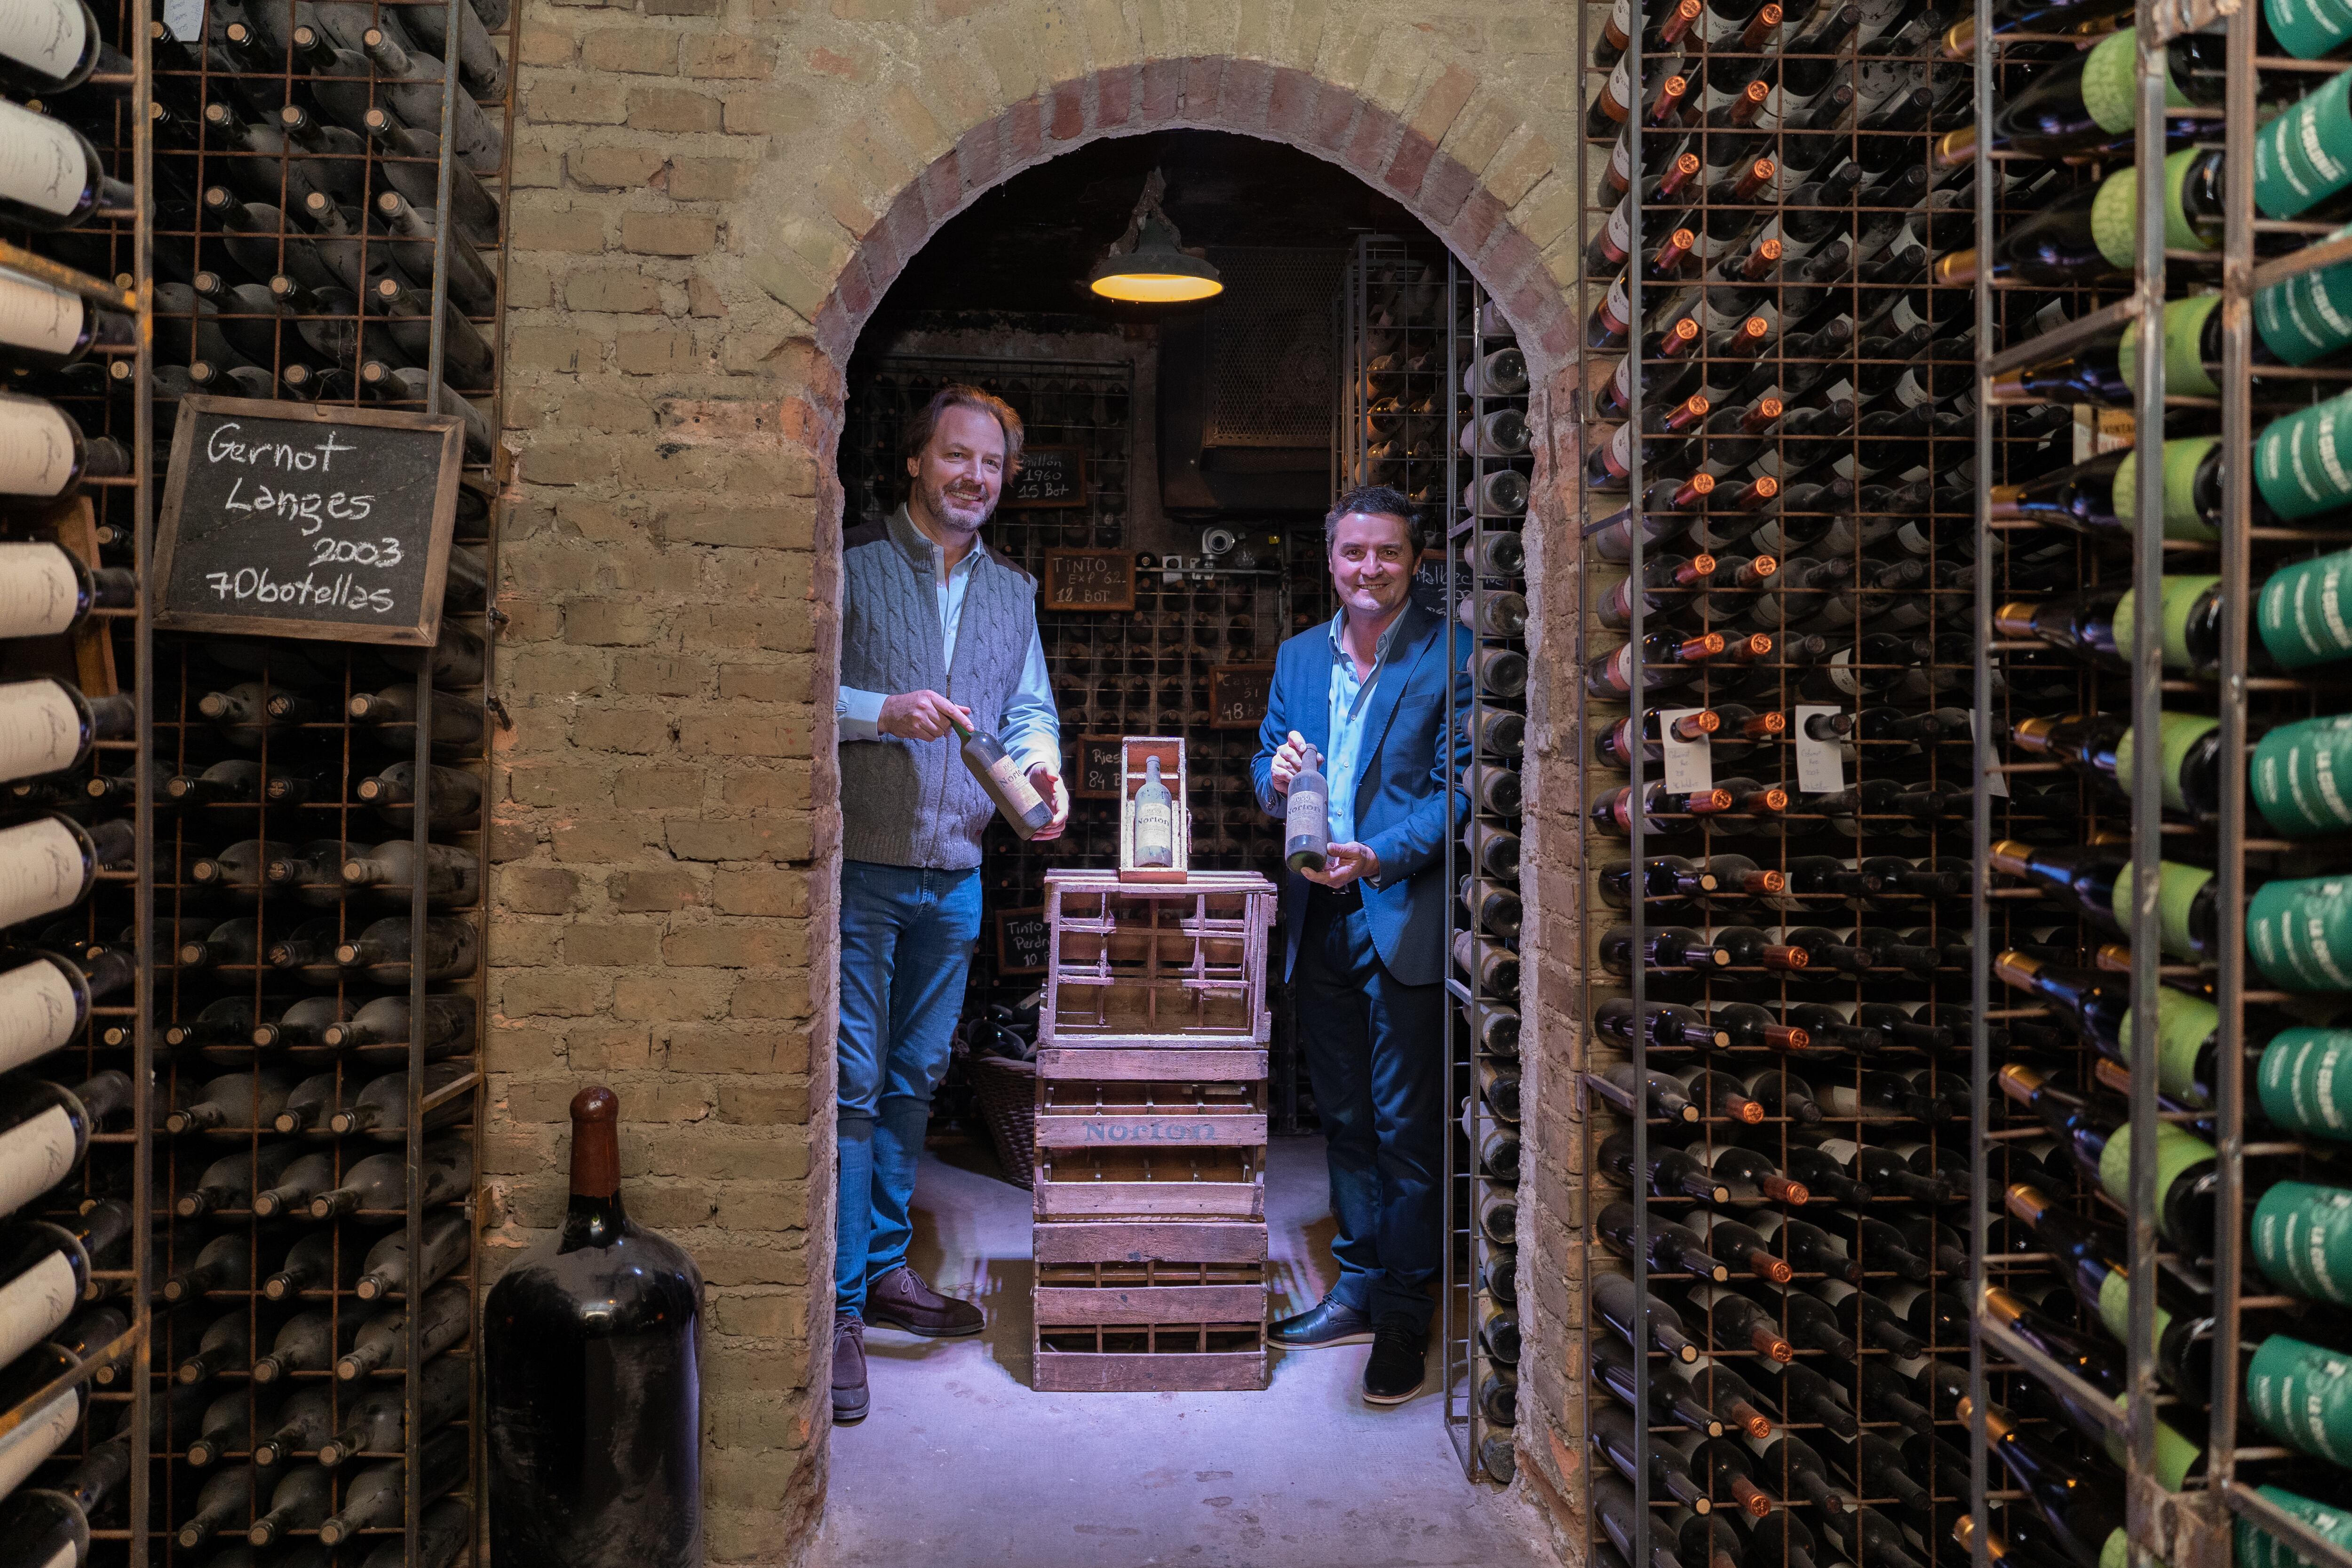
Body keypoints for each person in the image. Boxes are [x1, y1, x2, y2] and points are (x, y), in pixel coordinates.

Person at [830, 384, 1068, 1424]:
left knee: (914, 1078)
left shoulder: (1013, 590)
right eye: (957, 457)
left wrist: (1044, 772)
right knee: (846, 1082)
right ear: (917, 462)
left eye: (991, 465)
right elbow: (791, 685)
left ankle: (884, 1266)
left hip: (957, 870)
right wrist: (880, 709)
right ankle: (834, 1308)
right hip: (863, 864)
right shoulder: (845, 565)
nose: (975, 477)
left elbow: (1027, 712)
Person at [1250, 483, 1471, 1405]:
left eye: (1385, 553)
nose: (1368, 569)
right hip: (1319, 915)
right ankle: (1355, 1282)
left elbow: (1462, 790)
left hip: (1398, 910)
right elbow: (1269, 769)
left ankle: (1404, 1313)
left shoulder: (1451, 652)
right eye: (1352, 554)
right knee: (1344, 1117)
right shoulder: (1300, 656)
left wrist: (1377, 853)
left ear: (1414, 560)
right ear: (1330, 561)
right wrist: (1274, 777)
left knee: (1407, 1130)